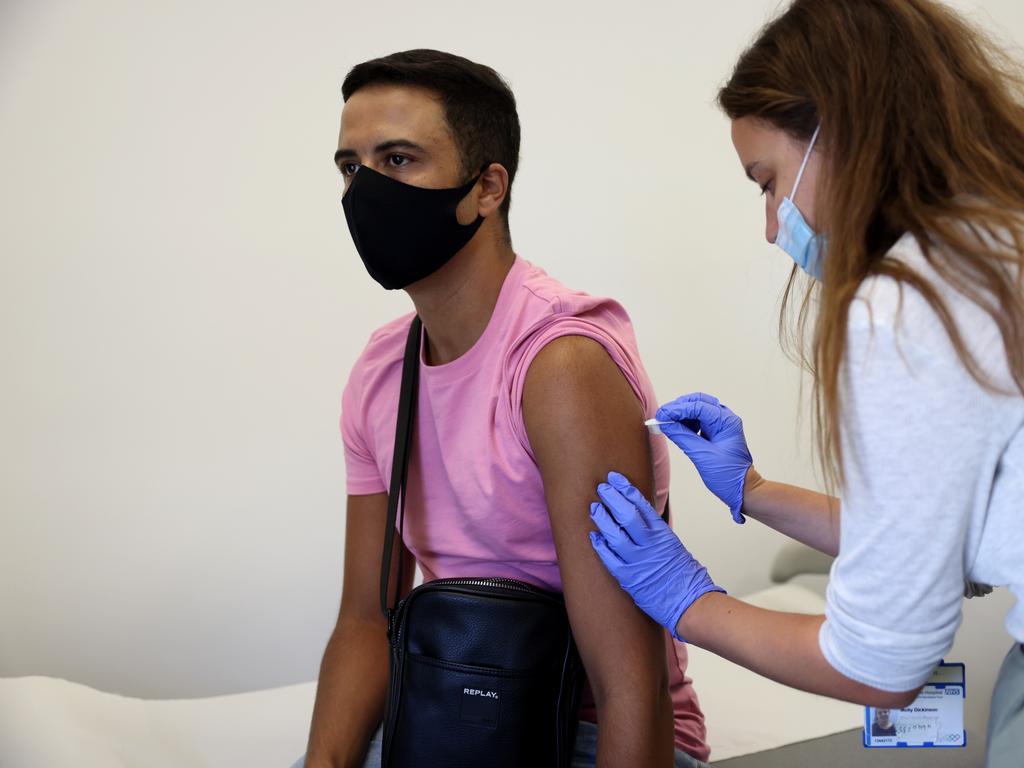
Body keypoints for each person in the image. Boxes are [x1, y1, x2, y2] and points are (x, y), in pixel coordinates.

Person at [585, 2, 1024, 767]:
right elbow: (934, 530)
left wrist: (690, 600)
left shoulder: (914, 300)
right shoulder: (997, 243)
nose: (770, 225)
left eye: (767, 181)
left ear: (843, 132)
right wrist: (752, 491)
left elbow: (879, 666)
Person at [294, 50, 711, 767]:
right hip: (451, 719)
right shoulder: (378, 375)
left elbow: (625, 681)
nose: (364, 190)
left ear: (487, 188)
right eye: (350, 167)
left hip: (581, 733)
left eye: (398, 160)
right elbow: (366, 620)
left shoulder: (561, 365)